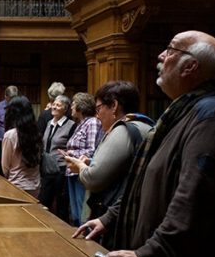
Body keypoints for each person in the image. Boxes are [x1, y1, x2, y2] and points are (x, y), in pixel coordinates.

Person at [74, 31, 215, 257]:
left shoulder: (212, 116)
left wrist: (148, 254)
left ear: (191, 66)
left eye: (171, 50)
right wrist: (110, 217)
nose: (161, 56)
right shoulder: (185, 111)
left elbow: (195, 198)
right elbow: (152, 180)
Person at [63, 81, 152, 221]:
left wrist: (80, 167)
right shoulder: (145, 125)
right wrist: (91, 161)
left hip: (114, 215)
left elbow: (93, 178)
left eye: (98, 109)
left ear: (114, 106)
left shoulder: (122, 130)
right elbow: (125, 165)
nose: (97, 116)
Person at [60, 91, 102, 225]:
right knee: (75, 213)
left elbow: (92, 150)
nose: (71, 107)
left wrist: (71, 154)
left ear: (81, 106)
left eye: (73, 104)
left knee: (82, 213)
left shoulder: (92, 123)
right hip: (71, 171)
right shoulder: (79, 124)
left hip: (81, 172)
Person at [38, 94, 75, 219]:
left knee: (61, 203)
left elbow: (71, 147)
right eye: (54, 104)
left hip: (61, 168)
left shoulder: (71, 125)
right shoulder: (49, 123)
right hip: (47, 168)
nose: (54, 106)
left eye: (58, 105)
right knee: (43, 201)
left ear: (65, 109)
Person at [0, 96, 41, 197]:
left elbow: (5, 167)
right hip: (35, 186)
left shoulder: (10, 135)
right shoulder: (37, 133)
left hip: (16, 186)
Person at [0, 85, 18, 174]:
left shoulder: (20, 107)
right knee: (2, 162)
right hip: (1, 139)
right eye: (10, 98)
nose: (12, 101)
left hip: (16, 139)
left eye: (14, 98)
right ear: (5, 97)